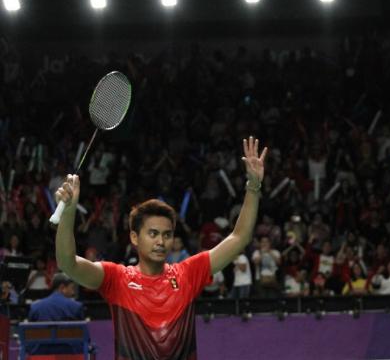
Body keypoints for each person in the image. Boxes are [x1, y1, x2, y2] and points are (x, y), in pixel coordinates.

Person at [54, 136, 267, 360]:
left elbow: (240, 238)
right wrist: (69, 213)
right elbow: (67, 263)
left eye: (167, 235)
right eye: (153, 234)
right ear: (134, 238)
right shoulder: (117, 279)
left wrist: (253, 187)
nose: (161, 241)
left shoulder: (188, 274)